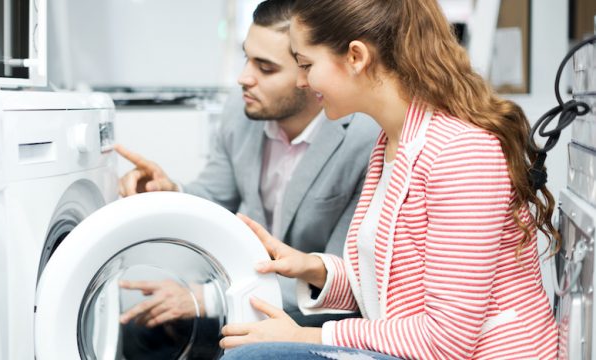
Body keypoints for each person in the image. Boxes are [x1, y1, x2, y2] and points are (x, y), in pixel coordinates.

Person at [218, 0, 560, 359]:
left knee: (255, 355)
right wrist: (312, 268)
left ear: (356, 57)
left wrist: (307, 337)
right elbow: (391, 288)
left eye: (306, 65)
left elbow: (445, 340)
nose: (303, 81)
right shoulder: (392, 143)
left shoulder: (461, 152)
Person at [116, 0, 379, 327]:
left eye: (265, 68)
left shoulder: (365, 139)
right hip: (240, 285)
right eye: (246, 58)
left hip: (311, 316)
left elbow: (343, 276)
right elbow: (216, 196)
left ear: (310, 74)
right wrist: (169, 190)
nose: (244, 78)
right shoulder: (241, 110)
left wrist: (207, 298)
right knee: (139, 327)